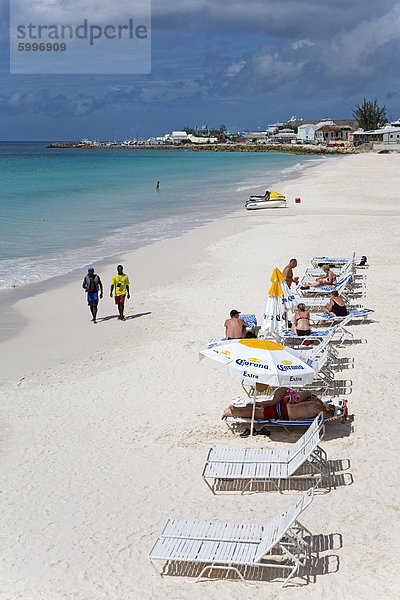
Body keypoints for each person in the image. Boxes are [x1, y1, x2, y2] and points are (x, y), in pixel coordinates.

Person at [221, 387, 335, 421]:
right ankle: (232, 411)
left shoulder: (313, 404)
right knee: (256, 414)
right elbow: (328, 416)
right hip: (282, 412)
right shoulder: (316, 408)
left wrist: (327, 407)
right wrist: (331, 410)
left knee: (258, 410)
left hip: (283, 408)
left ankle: (235, 408)